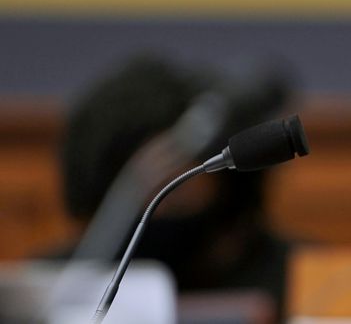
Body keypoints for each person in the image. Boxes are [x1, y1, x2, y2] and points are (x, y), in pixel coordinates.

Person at [56, 55, 293, 321]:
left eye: (178, 179)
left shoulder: (297, 278)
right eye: (141, 178)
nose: (162, 186)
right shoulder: (57, 286)